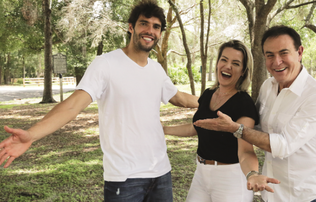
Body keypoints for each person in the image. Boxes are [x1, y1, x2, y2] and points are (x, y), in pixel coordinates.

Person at [0, 1, 199, 201]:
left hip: (161, 172)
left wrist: (215, 100)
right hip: (125, 177)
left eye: (156, 27)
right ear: (131, 27)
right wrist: (32, 135)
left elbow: (180, 98)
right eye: (144, 23)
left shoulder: (156, 70)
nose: (150, 30)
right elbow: (72, 106)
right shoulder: (106, 64)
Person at [194, 25, 316, 202]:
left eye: (284, 53)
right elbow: (256, 127)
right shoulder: (268, 86)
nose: (277, 62)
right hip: (272, 194)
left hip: (305, 196)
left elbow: (283, 146)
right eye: (270, 55)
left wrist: (236, 128)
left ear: (299, 52)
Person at [164, 40, 280, 202]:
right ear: (218, 63)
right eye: (224, 60)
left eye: (236, 63)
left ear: (243, 71)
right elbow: (197, 127)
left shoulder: (243, 104)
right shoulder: (208, 94)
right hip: (201, 173)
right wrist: (164, 130)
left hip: (230, 178)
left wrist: (252, 174)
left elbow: (245, 150)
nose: (227, 66)